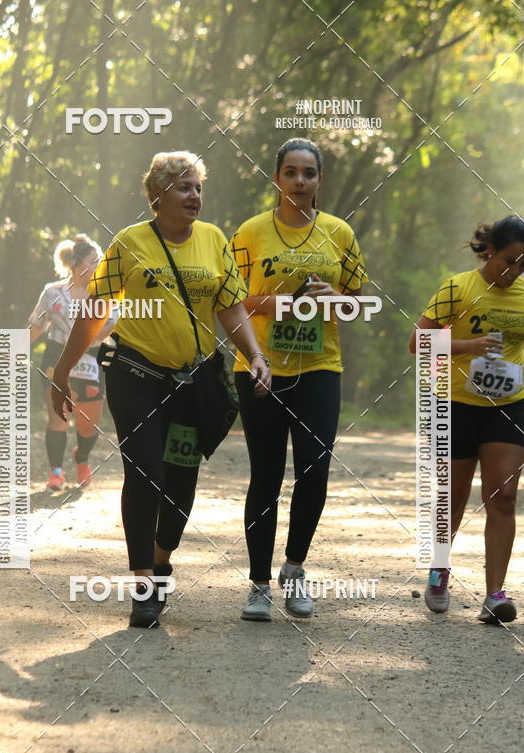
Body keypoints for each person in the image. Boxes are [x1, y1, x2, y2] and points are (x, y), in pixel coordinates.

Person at [50, 151, 270, 628]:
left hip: (192, 383)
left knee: (181, 486)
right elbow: (93, 311)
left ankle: (162, 556)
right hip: (136, 376)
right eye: (185, 187)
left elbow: (231, 308)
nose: (195, 196)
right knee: (146, 471)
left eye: (198, 188)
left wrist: (254, 354)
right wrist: (62, 370)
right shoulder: (129, 244)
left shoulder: (213, 241)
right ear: (158, 196)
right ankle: (144, 585)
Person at [230, 137, 369, 622]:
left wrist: (334, 296)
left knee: (314, 469)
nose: (299, 181)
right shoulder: (249, 233)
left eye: (308, 173)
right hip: (260, 366)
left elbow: (356, 304)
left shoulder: (340, 233)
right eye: (290, 172)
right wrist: (271, 304)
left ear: (319, 180)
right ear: (277, 177)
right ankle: (258, 585)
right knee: (265, 474)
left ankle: (294, 568)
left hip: (319, 368)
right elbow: (229, 303)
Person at [409, 215, 524, 623]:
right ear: (490, 250)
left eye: (523, 264)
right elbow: (418, 343)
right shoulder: (458, 288)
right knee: (452, 499)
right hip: (456, 404)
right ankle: (439, 568)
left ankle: (495, 595)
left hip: (509, 407)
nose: (514, 272)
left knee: (503, 497)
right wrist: (469, 345)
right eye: (509, 261)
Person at [28, 234, 115, 490]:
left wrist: (85, 338)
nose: (100, 266)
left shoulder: (106, 293)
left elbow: (111, 326)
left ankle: (82, 456)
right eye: (94, 261)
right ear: (77, 265)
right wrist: (13, 349)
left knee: (90, 426)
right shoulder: (53, 292)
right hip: (56, 356)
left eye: (101, 262)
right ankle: (55, 471)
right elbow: (36, 325)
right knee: (59, 418)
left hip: (90, 358)